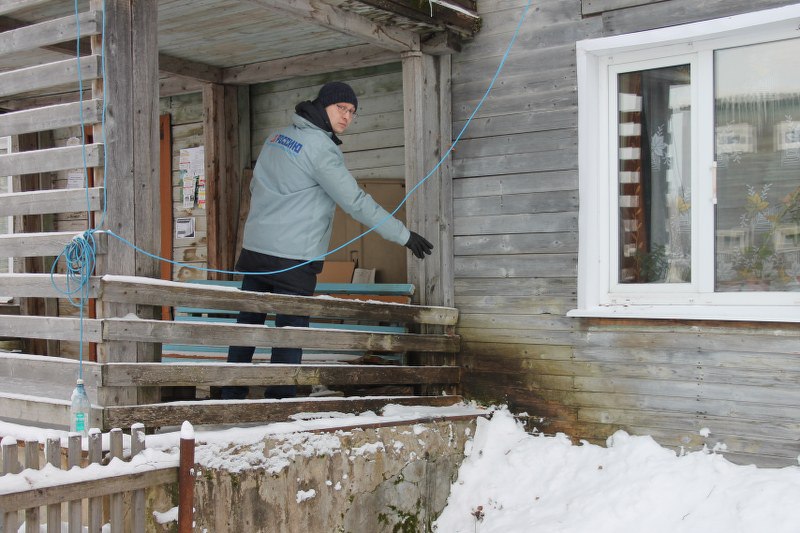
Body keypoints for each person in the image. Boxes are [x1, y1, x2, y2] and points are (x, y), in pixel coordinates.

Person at [221, 81, 433, 400]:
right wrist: (404, 235)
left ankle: (229, 393)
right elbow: (356, 202)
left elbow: (255, 188)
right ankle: (280, 398)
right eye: (341, 108)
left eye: (352, 112)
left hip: (255, 251)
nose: (347, 116)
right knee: (290, 330)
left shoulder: (277, 138)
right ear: (323, 106)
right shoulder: (320, 149)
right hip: (294, 258)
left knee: (248, 321)